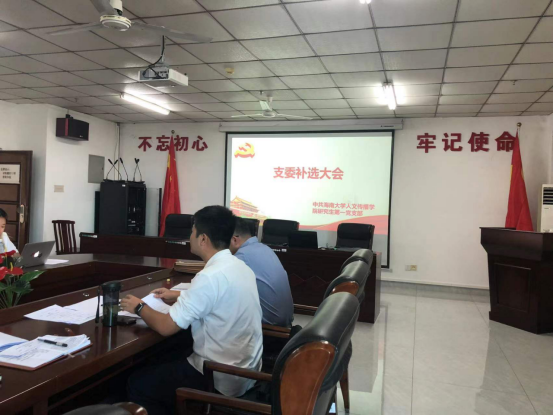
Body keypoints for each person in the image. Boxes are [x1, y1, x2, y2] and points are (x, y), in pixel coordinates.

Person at [121, 206, 263, 415]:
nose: (190, 237)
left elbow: (166, 327)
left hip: (218, 377)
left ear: (203, 239)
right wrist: (179, 296)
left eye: (192, 232)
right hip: (246, 372)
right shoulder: (240, 266)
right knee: (170, 353)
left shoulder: (209, 276)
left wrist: (139, 306)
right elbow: (219, 298)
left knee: (138, 383)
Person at [230, 218, 294, 328]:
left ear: (234, 240)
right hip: (285, 323)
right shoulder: (265, 248)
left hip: (270, 329)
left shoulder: (242, 256)